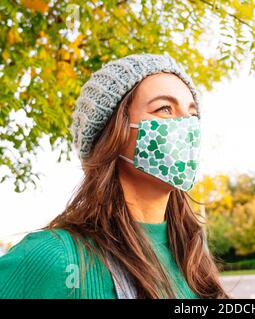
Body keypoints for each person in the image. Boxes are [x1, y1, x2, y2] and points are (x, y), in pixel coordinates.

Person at [0, 53, 230, 299]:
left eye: (192, 114)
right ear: (112, 134)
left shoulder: (193, 254)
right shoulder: (54, 257)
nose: (186, 125)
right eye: (164, 108)